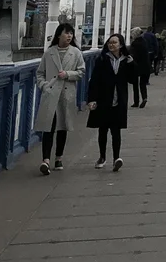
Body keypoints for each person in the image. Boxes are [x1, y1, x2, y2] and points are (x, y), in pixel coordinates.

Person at [34, 22, 85, 174]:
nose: (69, 36)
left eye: (71, 33)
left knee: (63, 126)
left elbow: (81, 72)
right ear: (58, 35)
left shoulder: (76, 53)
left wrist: (68, 74)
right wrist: (44, 86)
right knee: (48, 127)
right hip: (51, 93)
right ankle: (45, 160)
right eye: (66, 33)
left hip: (66, 93)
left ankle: (59, 157)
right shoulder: (49, 52)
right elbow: (39, 73)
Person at [87, 33, 134, 170]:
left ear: (120, 45)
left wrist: (132, 64)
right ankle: (102, 157)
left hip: (119, 100)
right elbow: (94, 81)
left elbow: (132, 79)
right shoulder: (102, 59)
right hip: (103, 99)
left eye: (114, 42)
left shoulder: (126, 60)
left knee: (116, 131)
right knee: (103, 130)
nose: (111, 45)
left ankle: (116, 158)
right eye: (110, 42)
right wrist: (92, 99)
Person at [129, 26, 152, 108]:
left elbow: (132, 55)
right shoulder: (144, 42)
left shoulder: (134, 44)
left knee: (135, 84)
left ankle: (136, 101)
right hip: (145, 65)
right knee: (142, 84)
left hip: (136, 66)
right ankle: (144, 98)